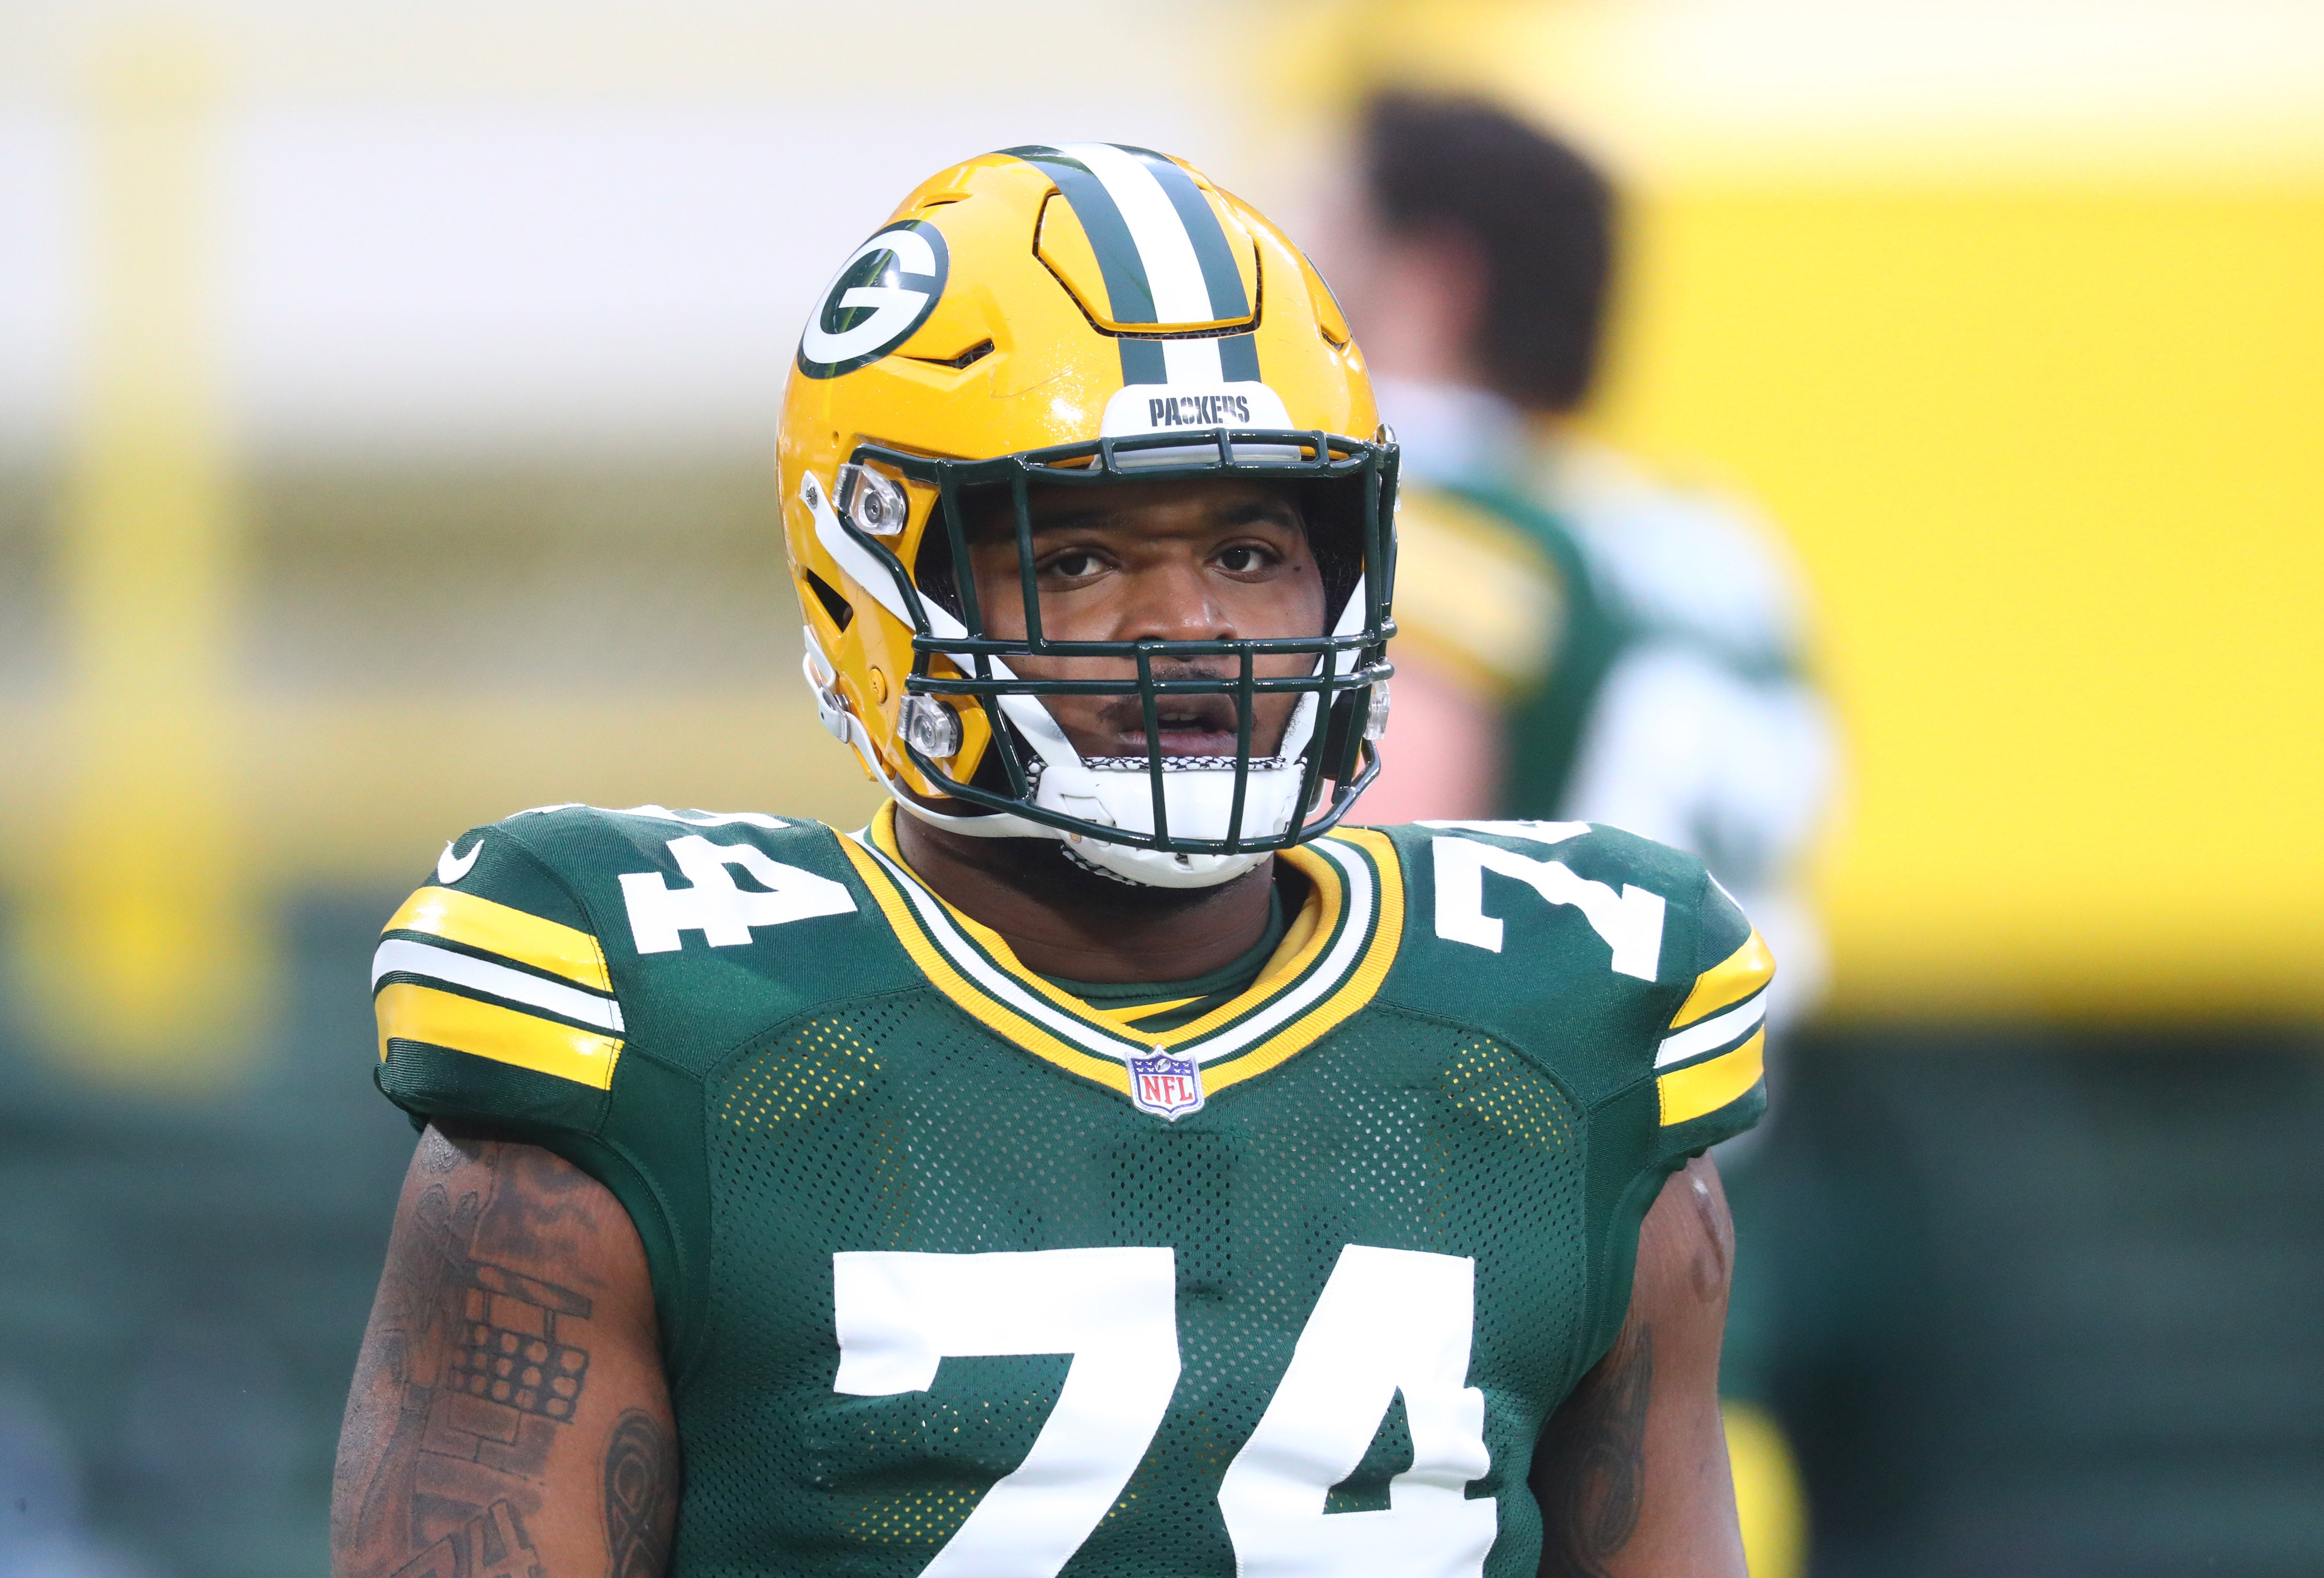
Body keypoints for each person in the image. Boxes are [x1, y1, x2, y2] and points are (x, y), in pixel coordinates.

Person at [332, 143, 1773, 1578]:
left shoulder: (1555, 1033)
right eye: (1076, 555)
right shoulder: (658, 1028)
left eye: (1252, 547)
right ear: (877, 575)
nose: (1189, 623)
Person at [1318, 94, 1835, 1031]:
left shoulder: (1447, 530)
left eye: (1328, 238)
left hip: (1512, 1131)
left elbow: (1368, 876)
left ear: (1434, 282)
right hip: (1708, 1126)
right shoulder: (1709, 529)